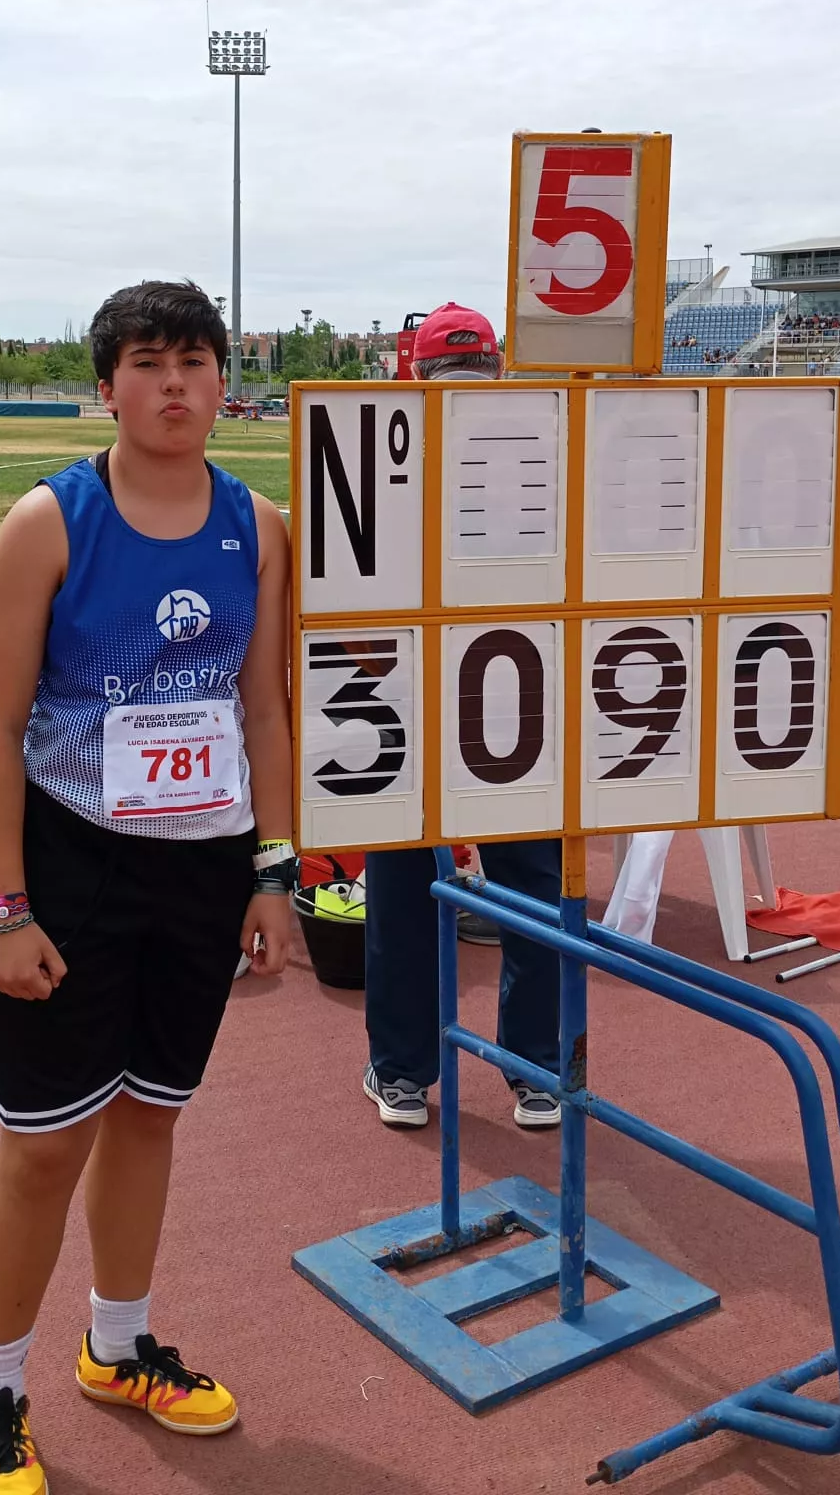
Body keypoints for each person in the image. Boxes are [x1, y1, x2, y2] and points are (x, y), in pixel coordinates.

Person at [0, 280, 294, 1492]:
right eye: (148, 363)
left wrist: (272, 872)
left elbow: (265, 710)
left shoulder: (260, 526)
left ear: (224, 382)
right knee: (46, 1146)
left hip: (202, 867)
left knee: (152, 1115)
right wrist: (7, 909)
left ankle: (118, 1347)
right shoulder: (49, 524)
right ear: (106, 388)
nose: (175, 385)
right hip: (70, 865)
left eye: (195, 361)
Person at [362, 303, 563, 1133]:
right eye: (456, 381)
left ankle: (502, 1067)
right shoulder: (380, 466)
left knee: (512, 890)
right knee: (432, 887)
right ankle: (432, 1068)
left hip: (488, 703)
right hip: (445, 703)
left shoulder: (542, 460)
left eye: (473, 381)